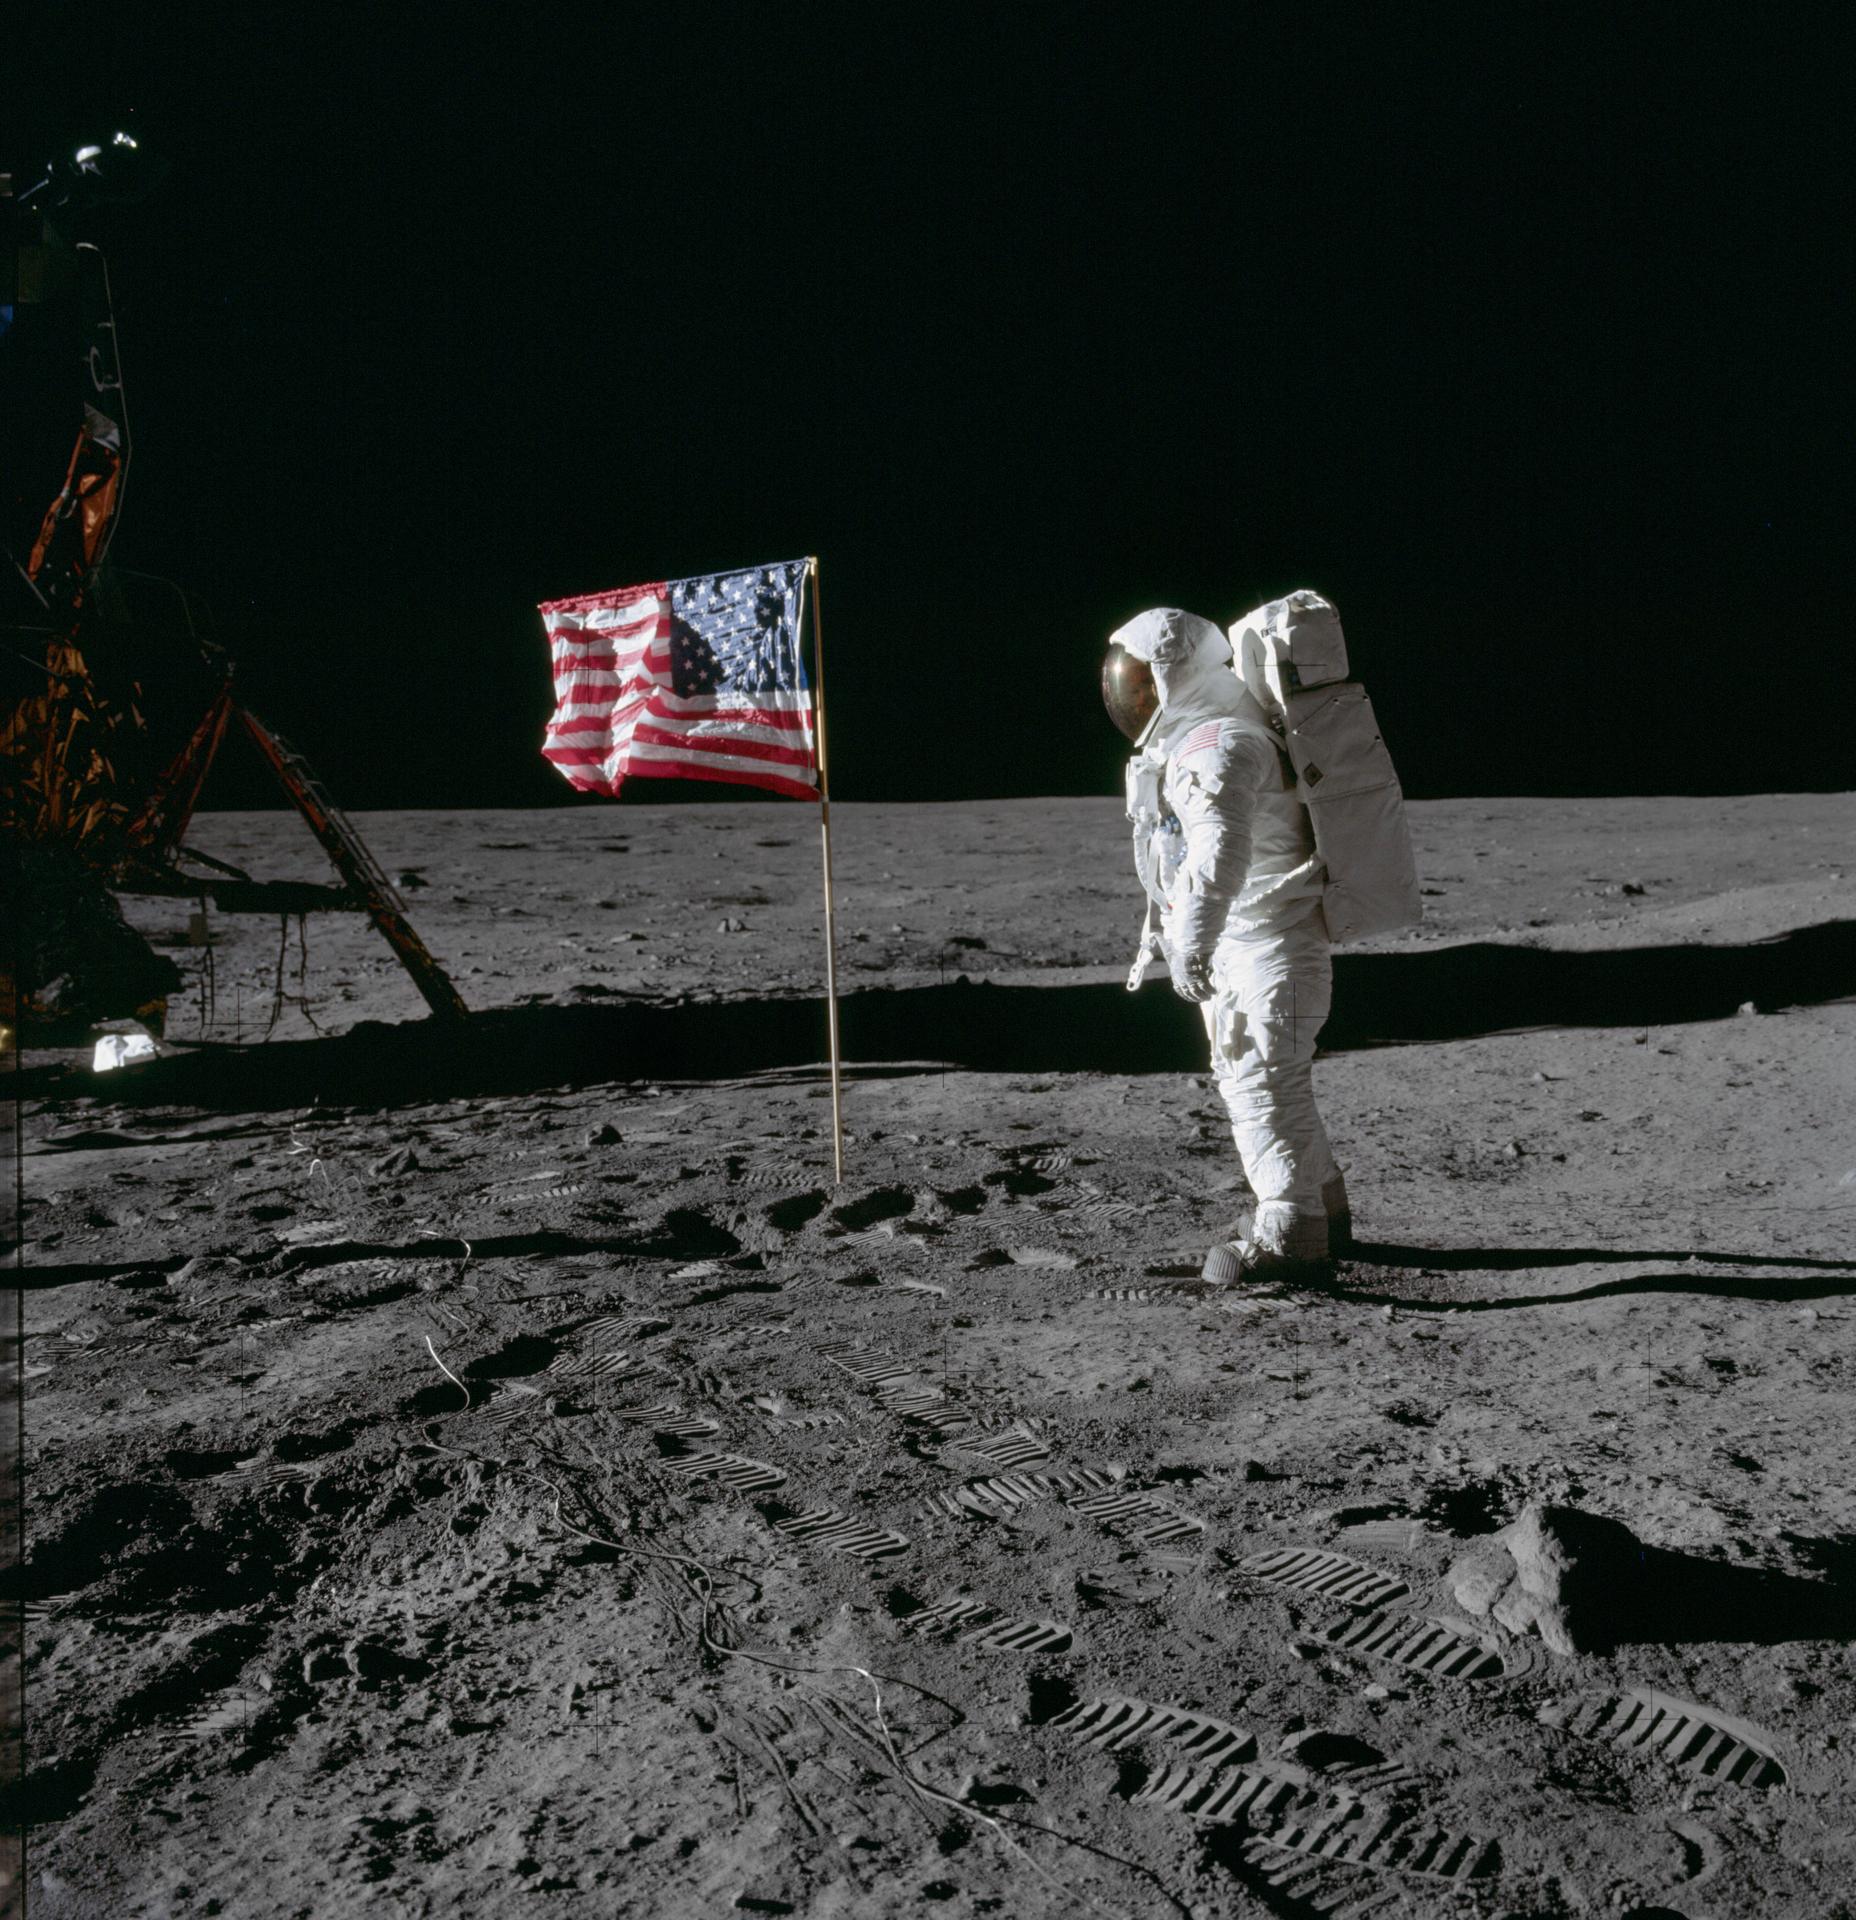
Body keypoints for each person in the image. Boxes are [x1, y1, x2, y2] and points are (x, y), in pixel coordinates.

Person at [1103, 606, 1349, 1281]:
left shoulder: (1215, 747)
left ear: (1174, 679)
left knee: (1260, 1085)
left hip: (1269, 947)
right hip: (1263, 943)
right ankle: (1327, 1207)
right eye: (1130, 686)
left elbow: (1217, 852)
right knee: (1275, 1082)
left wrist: (1192, 942)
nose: (1134, 698)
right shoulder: (1213, 738)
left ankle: (1292, 1233)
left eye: (1144, 684)